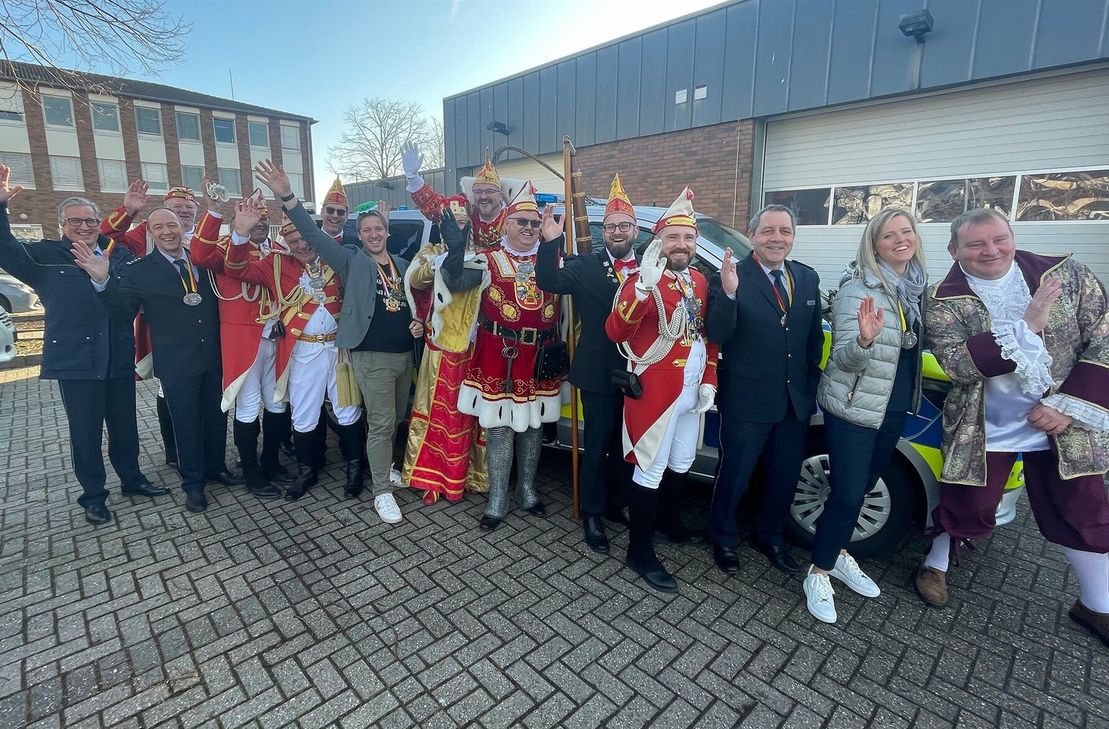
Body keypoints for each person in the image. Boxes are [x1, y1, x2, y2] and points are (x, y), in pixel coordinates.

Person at [917, 207, 1109, 646]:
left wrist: (1070, 405)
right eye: (976, 244)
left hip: (1066, 420)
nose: (991, 250)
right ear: (954, 250)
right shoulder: (943, 299)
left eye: (999, 239)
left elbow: (1105, 335)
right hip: (986, 424)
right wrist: (1025, 327)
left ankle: (1098, 605)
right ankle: (937, 561)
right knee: (970, 502)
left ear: (1012, 236)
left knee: (1084, 507)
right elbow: (958, 364)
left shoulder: (1067, 276)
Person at [0, 167, 164, 524]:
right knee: (85, 431)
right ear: (63, 224)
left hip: (117, 354)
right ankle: (93, 495)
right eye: (77, 221)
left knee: (125, 426)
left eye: (91, 221)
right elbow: (5, 247)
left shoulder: (116, 256)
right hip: (76, 360)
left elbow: (126, 307)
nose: (85, 227)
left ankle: (132, 479)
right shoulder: (44, 256)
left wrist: (104, 279)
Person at [256, 160, 414, 524]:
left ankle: (382, 468)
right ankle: (381, 491)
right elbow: (313, 237)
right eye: (367, 229)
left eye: (379, 228)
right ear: (359, 234)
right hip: (369, 356)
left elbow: (413, 302)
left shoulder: (403, 265)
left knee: (395, 419)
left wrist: (418, 324)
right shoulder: (351, 261)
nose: (374, 234)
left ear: (387, 231)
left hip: (404, 354)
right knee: (379, 422)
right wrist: (287, 195)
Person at [75, 208, 243, 514]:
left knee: (217, 416)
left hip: (213, 356)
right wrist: (102, 282)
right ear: (150, 232)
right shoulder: (140, 270)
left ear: (182, 228)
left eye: (172, 225)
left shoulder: (203, 261)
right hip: (176, 362)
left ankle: (216, 467)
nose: (167, 231)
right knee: (186, 424)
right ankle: (193, 484)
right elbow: (123, 313)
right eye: (159, 227)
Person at [804, 208, 927, 623]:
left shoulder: (915, 289)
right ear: (874, 244)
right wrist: (863, 339)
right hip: (854, 407)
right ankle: (818, 572)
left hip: (890, 408)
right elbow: (843, 359)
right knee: (848, 493)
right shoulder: (859, 291)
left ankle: (838, 554)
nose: (899, 240)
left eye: (905, 231)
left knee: (866, 485)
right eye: (888, 235)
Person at [604, 187, 718, 592]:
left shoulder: (701, 282)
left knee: (683, 460)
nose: (681, 245)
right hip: (655, 390)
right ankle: (639, 549)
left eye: (688, 238)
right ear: (659, 241)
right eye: (673, 237)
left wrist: (709, 380)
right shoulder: (641, 280)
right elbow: (615, 331)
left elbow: (707, 335)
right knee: (649, 467)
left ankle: (669, 523)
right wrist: (638, 291)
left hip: (690, 390)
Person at [218, 199, 363, 502]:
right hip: (302, 352)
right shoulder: (276, 263)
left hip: (339, 350)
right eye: (293, 240)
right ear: (286, 242)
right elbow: (234, 269)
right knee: (304, 413)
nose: (300, 245)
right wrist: (241, 234)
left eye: (304, 237)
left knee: (347, 408)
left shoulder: (334, 259)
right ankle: (306, 472)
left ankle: (355, 470)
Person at [707, 204, 824, 576]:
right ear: (753, 235)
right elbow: (718, 334)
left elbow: (812, 340)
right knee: (736, 474)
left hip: (793, 401)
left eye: (785, 231)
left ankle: (769, 535)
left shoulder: (806, 278)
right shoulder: (731, 277)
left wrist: (810, 385)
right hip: (746, 399)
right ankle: (722, 537)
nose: (777, 238)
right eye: (768, 231)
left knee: (784, 475)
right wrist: (727, 295)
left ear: (793, 236)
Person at [439, 182, 563, 530]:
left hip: (541, 355)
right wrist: (454, 246)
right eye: (521, 222)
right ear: (506, 223)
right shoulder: (489, 259)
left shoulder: (553, 258)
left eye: (534, 223)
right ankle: (497, 498)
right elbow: (455, 281)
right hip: (501, 354)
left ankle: (526, 490)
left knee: (534, 425)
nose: (528, 228)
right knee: (501, 427)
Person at [535, 174, 638, 553]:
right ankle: (592, 513)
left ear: (635, 230)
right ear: (603, 231)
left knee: (626, 446)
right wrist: (551, 243)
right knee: (597, 445)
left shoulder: (651, 268)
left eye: (624, 225)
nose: (617, 232)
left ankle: (616, 504)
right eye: (610, 226)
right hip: (598, 374)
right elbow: (548, 280)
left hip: (640, 376)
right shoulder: (585, 265)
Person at [190, 193, 288, 501]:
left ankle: (271, 461)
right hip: (244, 341)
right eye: (250, 217)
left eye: (261, 217)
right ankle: (251, 471)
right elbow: (199, 255)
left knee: (277, 402)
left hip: (277, 337)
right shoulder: (224, 248)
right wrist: (216, 214)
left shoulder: (275, 250)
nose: (258, 222)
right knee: (247, 406)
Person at [102, 181, 205, 467]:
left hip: (199, 326)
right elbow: (107, 238)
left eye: (188, 208)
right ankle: (175, 452)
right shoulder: (146, 233)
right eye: (176, 208)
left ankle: (203, 452)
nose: (183, 213)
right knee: (167, 387)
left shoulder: (203, 236)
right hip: (161, 323)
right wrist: (128, 211)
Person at [401, 196, 489, 504]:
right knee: (439, 413)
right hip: (439, 351)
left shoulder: (480, 254)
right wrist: (446, 256)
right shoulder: (432, 252)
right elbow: (415, 279)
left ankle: (465, 478)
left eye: (463, 223)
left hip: (473, 348)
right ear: (443, 224)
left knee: (467, 415)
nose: (459, 227)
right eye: (453, 222)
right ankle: (431, 478)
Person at [402, 144, 522, 249]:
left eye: (490, 191)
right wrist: (413, 178)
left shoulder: (515, 215)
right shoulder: (466, 207)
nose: (484, 196)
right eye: (478, 191)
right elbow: (435, 207)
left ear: (500, 196)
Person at [319, 177, 359, 248]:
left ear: (347, 216)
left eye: (340, 212)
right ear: (321, 212)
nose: (335, 215)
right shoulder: (308, 242)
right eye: (330, 210)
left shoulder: (357, 244)